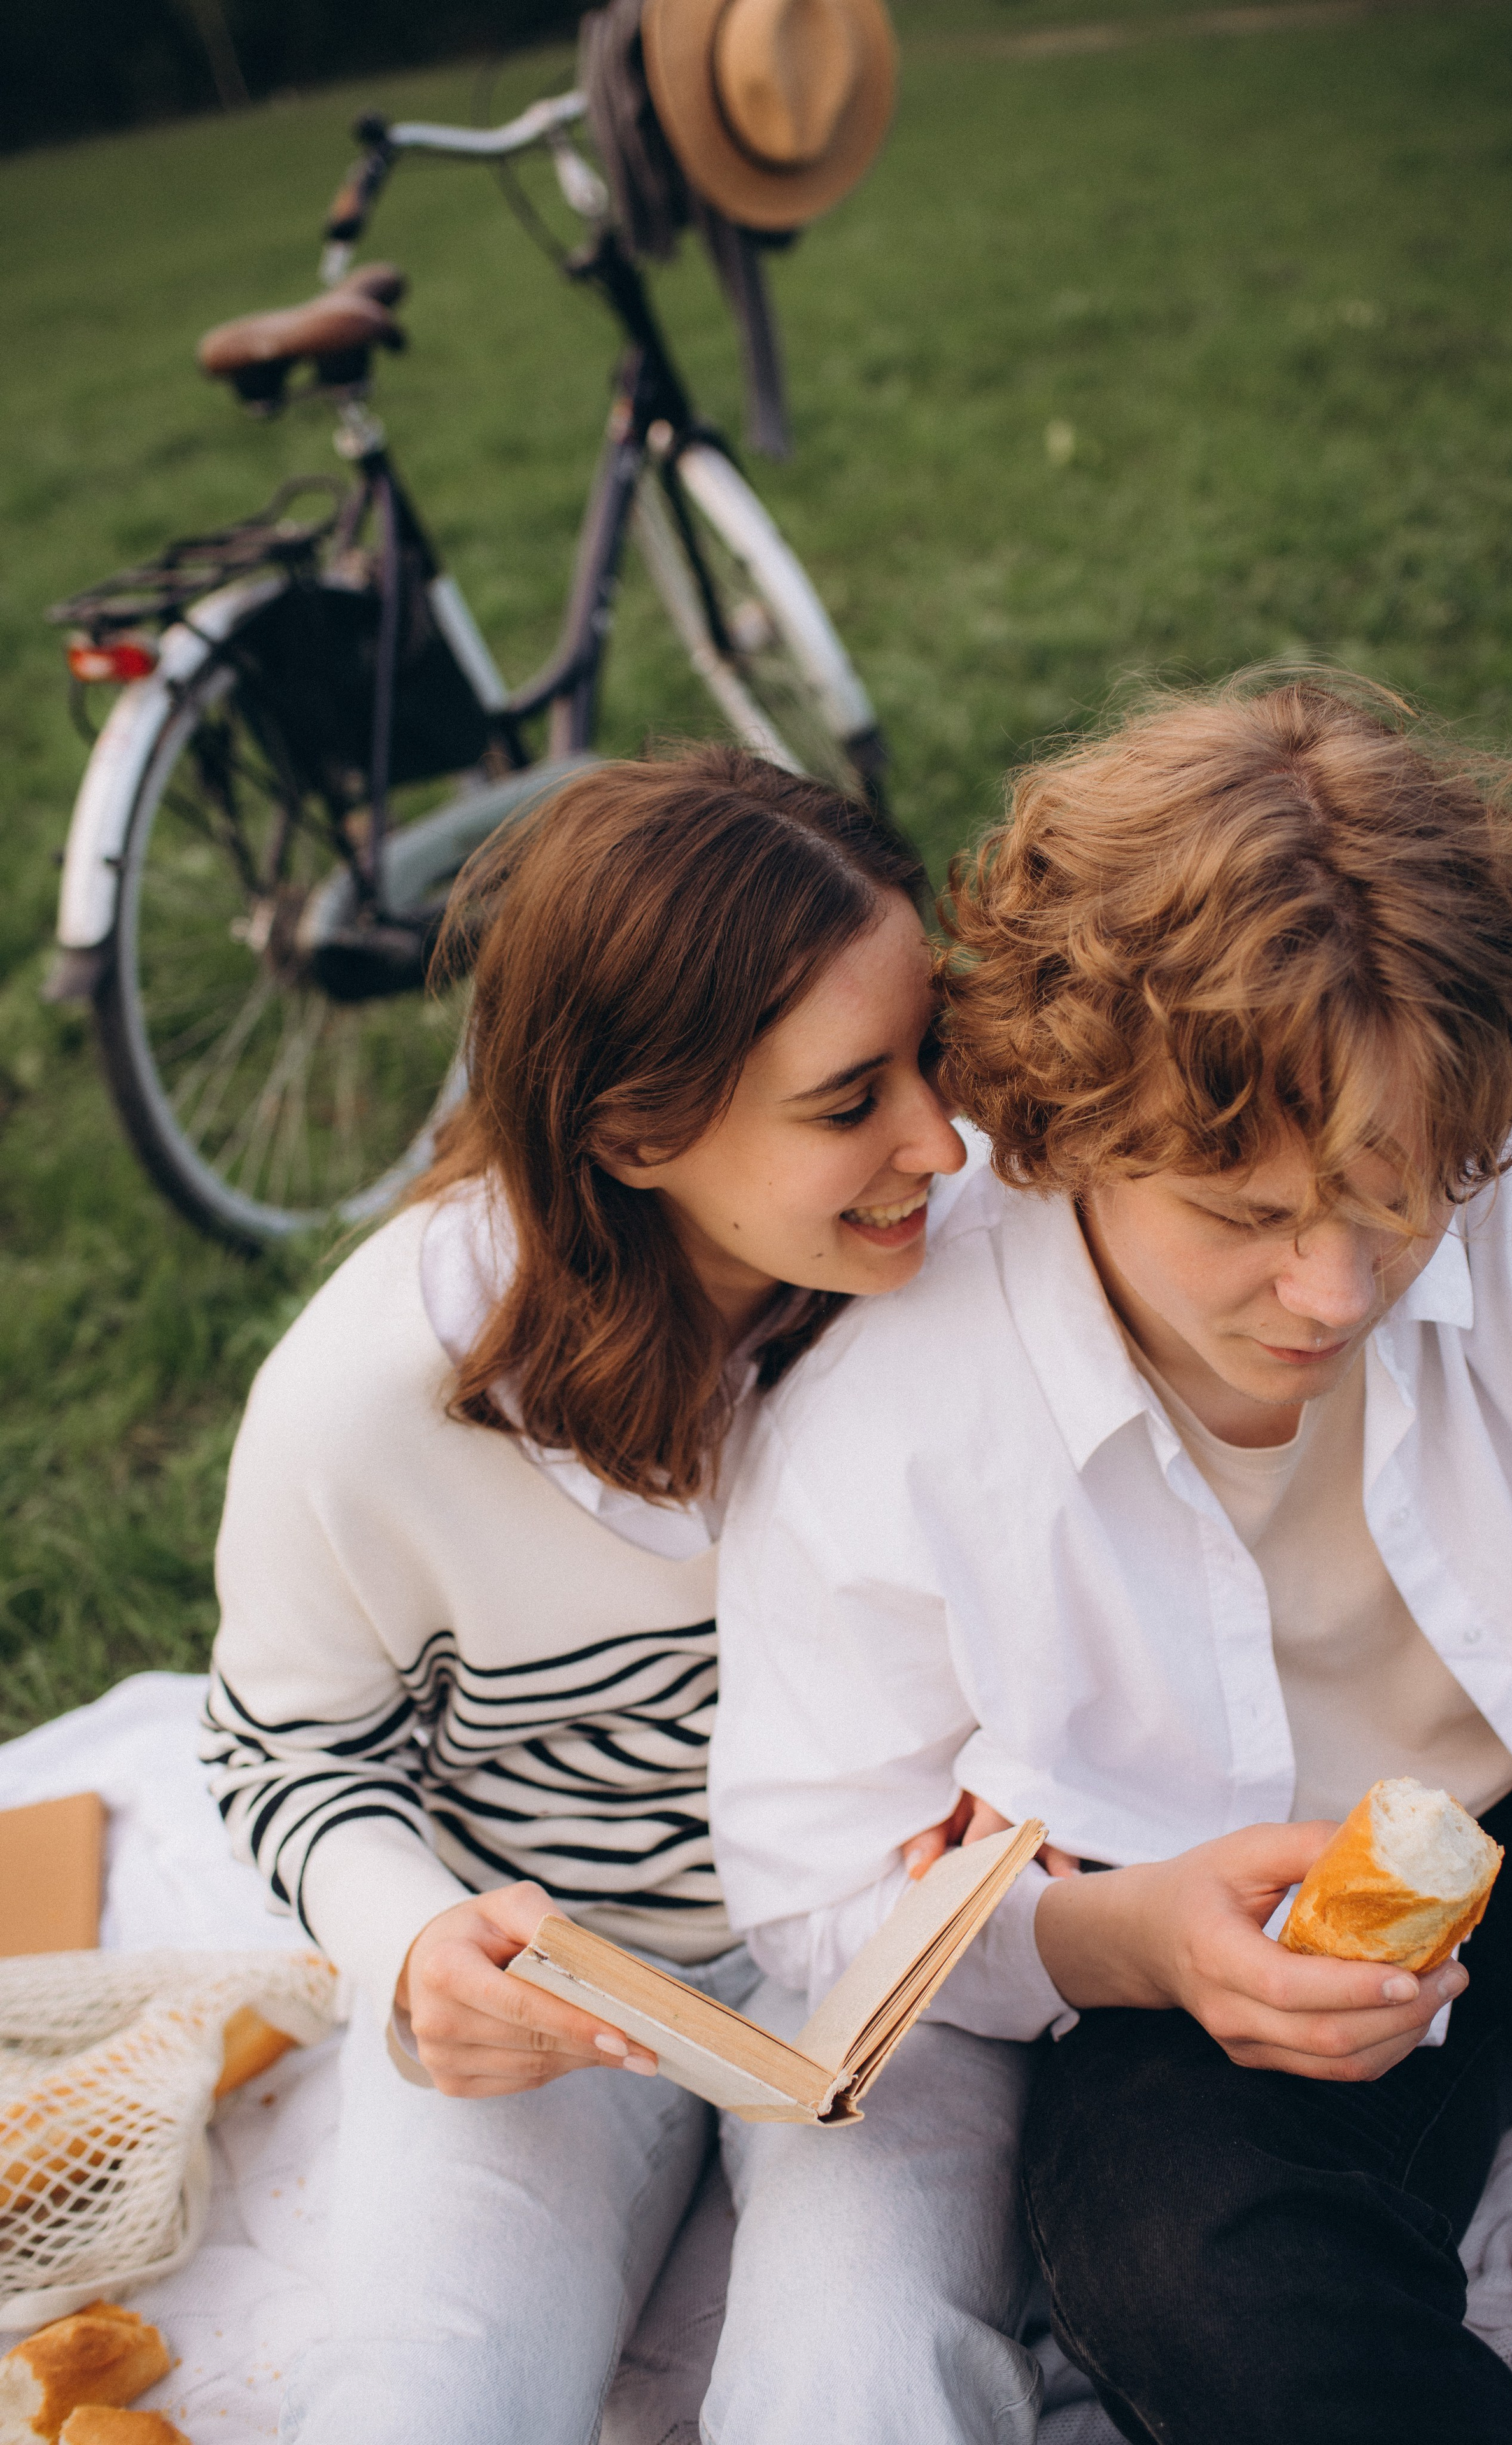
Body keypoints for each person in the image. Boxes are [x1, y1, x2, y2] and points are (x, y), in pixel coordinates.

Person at [709, 672, 1512, 2445]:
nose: (1336, 1294)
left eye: (1393, 1198)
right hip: (1233, 1962)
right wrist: (1125, 1942)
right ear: (1065, 1139)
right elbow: (820, 1900)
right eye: (1246, 1218)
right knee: (1177, 2268)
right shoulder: (890, 1427)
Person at [201, 746, 1052, 2445]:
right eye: (849, 1102)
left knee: (873, 2386)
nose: (942, 1145)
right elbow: (284, 1758)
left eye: (931, 1063)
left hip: (875, 1985)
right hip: (562, 1979)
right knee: (421, 2396)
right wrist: (424, 1947)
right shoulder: (371, 1396)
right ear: (638, 1131)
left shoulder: (960, 1289)